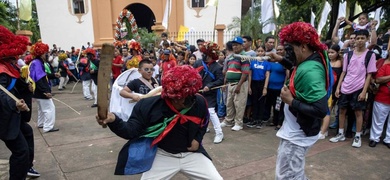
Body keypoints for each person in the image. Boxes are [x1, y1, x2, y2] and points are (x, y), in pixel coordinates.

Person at [97, 65, 222, 179]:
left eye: (190, 95)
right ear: (170, 95)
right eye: (181, 98)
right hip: (162, 154)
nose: (187, 100)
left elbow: (204, 121)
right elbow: (130, 131)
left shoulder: (198, 101)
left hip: (192, 155)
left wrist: (197, 140)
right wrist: (114, 120)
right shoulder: (147, 106)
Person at [268, 22, 332, 179]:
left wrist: (290, 101)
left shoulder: (311, 72)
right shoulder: (310, 58)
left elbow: (321, 110)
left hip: (298, 135)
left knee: (287, 176)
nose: (287, 54)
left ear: (303, 47)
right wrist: (281, 59)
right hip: (295, 130)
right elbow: (297, 66)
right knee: (292, 174)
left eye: (290, 50)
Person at [0, 25, 40, 179]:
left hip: (12, 117)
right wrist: (14, 103)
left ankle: (27, 167)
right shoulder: (2, 70)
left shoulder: (9, 65)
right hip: (4, 118)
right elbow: (1, 94)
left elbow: (16, 84)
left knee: (28, 132)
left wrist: (27, 87)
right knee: (20, 151)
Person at [330, 30, 377, 148]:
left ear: (367, 39)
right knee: (341, 110)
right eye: (358, 38)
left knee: (358, 112)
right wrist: (338, 87)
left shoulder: (370, 55)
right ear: (354, 40)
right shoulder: (348, 55)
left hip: (359, 88)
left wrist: (364, 91)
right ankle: (340, 133)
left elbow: (369, 75)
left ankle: (357, 136)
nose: (360, 40)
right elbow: (344, 72)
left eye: (362, 38)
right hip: (345, 87)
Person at [194, 41, 224, 144]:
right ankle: (204, 126)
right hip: (198, 92)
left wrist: (209, 86)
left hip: (210, 93)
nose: (203, 55)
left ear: (210, 55)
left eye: (205, 54)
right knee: (200, 110)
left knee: (211, 111)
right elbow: (192, 74)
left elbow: (220, 80)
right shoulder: (198, 63)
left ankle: (219, 133)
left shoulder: (217, 67)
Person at [220, 36, 250, 131]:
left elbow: (245, 73)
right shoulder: (231, 57)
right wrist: (225, 83)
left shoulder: (244, 57)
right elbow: (227, 71)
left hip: (239, 84)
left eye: (237, 45)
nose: (235, 47)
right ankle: (229, 120)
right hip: (230, 83)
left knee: (239, 104)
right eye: (233, 45)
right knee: (229, 103)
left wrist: (239, 85)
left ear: (241, 46)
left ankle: (238, 123)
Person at [29, 41, 60, 133]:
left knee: (41, 109)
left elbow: (43, 75)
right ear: (42, 53)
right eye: (46, 53)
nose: (47, 55)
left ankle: (41, 123)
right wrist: (45, 91)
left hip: (37, 92)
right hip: (41, 91)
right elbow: (39, 79)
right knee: (49, 108)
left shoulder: (36, 62)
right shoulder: (37, 63)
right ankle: (48, 127)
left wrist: (53, 75)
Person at [263, 45, 288, 130]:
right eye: (277, 50)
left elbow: (287, 76)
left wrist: (284, 86)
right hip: (270, 87)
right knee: (272, 105)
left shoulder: (285, 62)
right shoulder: (272, 61)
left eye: (281, 49)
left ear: (284, 50)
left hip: (279, 88)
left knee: (279, 106)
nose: (279, 51)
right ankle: (274, 121)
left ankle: (279, 123)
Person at [369, 51, 390, 148]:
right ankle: (374, 138)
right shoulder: (386, 66)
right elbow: (378, 79)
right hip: (383, 97)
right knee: (378, 119)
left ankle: (388, 140)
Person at [246, 46, 270, 129]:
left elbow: (267, 76)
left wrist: (265, 88)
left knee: (261, 102)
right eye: (258, 51)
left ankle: (260, 120)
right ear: (256, 52)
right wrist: (249, 87)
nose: (260, 53)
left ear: (264, 52)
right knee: (254, 102)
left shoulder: (266, 63)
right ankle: (254, 119)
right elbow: (250, 75)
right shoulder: (253, 62)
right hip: (254, 83)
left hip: (262, 83)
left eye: (262, 51)